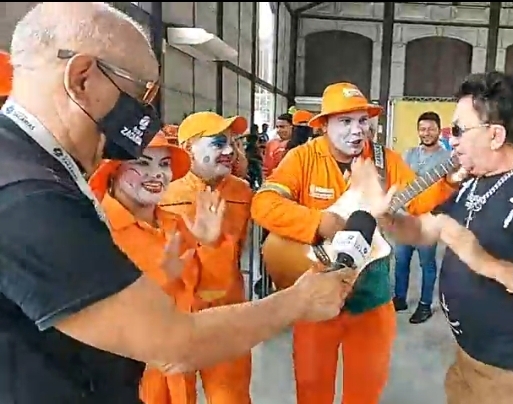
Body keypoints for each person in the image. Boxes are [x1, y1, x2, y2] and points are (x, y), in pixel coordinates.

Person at [0, 3, 354, 403]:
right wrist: (298, 301)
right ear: (82, 78)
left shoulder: (30, 166)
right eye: (140, 95)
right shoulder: (28, 198)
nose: (144, 116)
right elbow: (173, 343)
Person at [355, 72, 513, 404]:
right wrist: (390, 220)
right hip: (469, 359)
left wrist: (487, 263)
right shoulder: (476, 178)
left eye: (459, 130)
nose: (452, 141)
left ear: (496, 135)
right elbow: (428, 229)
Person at [250, 82, 457, 404]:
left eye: (362, 121)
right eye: (345, 121)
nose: (357, 130)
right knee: (312, 388)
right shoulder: (302, 158)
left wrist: (449, 180)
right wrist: (319, 223)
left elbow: (417, 201)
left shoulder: (383, 160)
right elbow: (264, 204)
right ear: (323, 125)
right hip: (316, 296)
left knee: (365, 391)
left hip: (371, 298)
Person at [88, 130, 224, 404]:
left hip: (178, 371)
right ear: (113, 170)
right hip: (124, 379)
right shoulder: (96, 229)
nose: (156, 174)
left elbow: (211, 293)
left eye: (164, 164)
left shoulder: (179, 226)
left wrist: (210, 246)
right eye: (142, 162)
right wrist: (166, 280)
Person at [159, 111, 259, 404]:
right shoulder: (163, 193)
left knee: (232, 396)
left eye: (232, 143)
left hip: (228, 311)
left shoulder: (242, 193)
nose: (229, 151)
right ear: (188, 148)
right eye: (217, 143)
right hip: (173, 315)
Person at [393, 111, 452, 324]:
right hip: (405, 219)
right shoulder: (408, 154)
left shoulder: (447, 159)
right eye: (422, 129)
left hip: (427, 222)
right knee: (401, 261)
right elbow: (399, 180)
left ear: (438, 131)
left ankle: (425, 305)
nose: (426, 133)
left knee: (426, 264)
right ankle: (400, 298)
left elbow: (450, 191)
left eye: (431, 129)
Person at [262, 113, 293, 177]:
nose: (279, 130)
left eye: (282, 127)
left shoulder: (299, 145)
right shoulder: (271, 144)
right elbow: (266, 167)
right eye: (277, 127)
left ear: (292, 127)